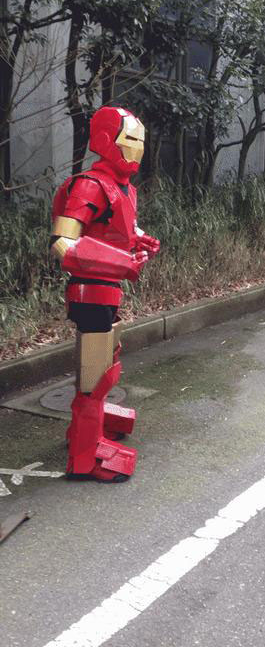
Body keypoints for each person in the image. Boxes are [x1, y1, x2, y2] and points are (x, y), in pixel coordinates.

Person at [50, 105, 160, 482]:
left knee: (104, 364)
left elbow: (117, 226)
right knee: (94, 375)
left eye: (140, 141)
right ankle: (84, 457)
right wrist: (122, 264)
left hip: (107, 290)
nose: (136, 149)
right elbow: (64, 244)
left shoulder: (120, 186)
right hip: (90, 290)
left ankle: (90, 429)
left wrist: (140, 240)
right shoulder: (90, 184)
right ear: (104, 142)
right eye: (129, 140)